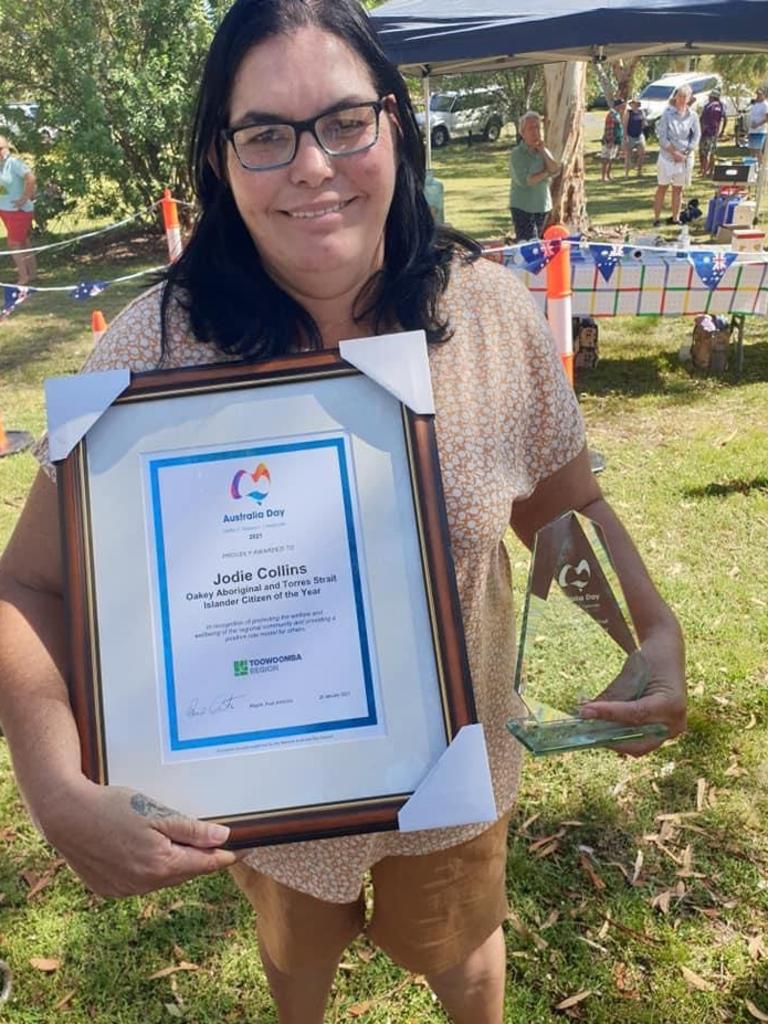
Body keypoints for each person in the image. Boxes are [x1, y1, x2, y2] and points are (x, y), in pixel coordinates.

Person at [0, 2, 686, 1023]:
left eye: (344, 122)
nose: (313, 165)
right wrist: (56, 789)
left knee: (463, 965)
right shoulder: (145, 356)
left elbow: (561, 499)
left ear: (394, 127)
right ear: (221, 160)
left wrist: (650, 626)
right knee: (296, 968)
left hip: (452, 782)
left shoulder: (491, 316)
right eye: (266, 134)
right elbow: (29, 579)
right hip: (262, 804)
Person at [652, 84, 701, 227]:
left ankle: (676, 217)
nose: (681, 99)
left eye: (684, 97)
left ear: (689, 99)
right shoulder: (667, 114)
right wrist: (674, 152)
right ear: (675, 97)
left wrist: (687, 151)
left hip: (684, 157)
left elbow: (696, 135)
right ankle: (656, 218)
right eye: (679, 96)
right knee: (662, 187)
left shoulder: (693, 115)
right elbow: (662, 137)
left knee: (678, 189)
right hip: (667, 156)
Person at [508, 111, 560, 240]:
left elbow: (556, 169)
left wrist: (543, 150)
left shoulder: (543, 151)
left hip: (542, 206)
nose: (535, 132)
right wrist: (547, 173)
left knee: (543, 244)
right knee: (528, 245)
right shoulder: (517, 154)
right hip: (523, 207)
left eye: (538, 128)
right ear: (522, 132)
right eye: (531, 128)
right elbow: (526, 181)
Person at [0, 135, 37, 286]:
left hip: (19, 211)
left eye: (1, 148)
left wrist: (24, 197)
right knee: (23, 242)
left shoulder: (14, 163)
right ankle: (32, 273)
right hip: (5, 210)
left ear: (7, 148)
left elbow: (31, 179)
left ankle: (23, 278)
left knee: (13, 243)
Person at [698, 88, 727, 177]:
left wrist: (701, 132)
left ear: (712, 97)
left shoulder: (708, 106)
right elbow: (725, 118)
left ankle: (704, 172)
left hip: (706, 133)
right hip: (715, 133)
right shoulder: (721, 106)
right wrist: (722, 130)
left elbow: (703, 120)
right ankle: (711, 171)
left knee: (704, 153)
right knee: (712, 152)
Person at [600, 98, 625, 181]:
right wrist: (610, 140)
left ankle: (608, 174)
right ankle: (603, 176)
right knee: (606, 158)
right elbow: (609, 128)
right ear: (617, 106)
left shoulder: (617, 114)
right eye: (621, 106)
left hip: (616, 140)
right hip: (610, 139)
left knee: (611, 158)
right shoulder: (612, 115)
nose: (623, 107)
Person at [622, 97, 647, 177]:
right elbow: (625, 125)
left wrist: (644, 123)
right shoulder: (628, 113)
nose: (634, 105)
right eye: (632, 104)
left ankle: (639, 171)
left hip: (639, 135)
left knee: (642, 153)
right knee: (628, 154)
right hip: (630, 135)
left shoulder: (641, 112)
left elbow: (643, 123)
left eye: (635, 103)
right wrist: (625, 136)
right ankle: (626, 173)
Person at [747, 86, 768, 163]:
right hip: (752, 131)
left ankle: (760, 167)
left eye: (760, 94)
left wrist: (758, 125)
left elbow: (766, 118)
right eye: (757, 94)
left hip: (760, 131)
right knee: (751, 149)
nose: (758, 96)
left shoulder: (765, 105)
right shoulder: (754, 104)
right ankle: (753, 168)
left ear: (764, 95)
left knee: (758, 149)